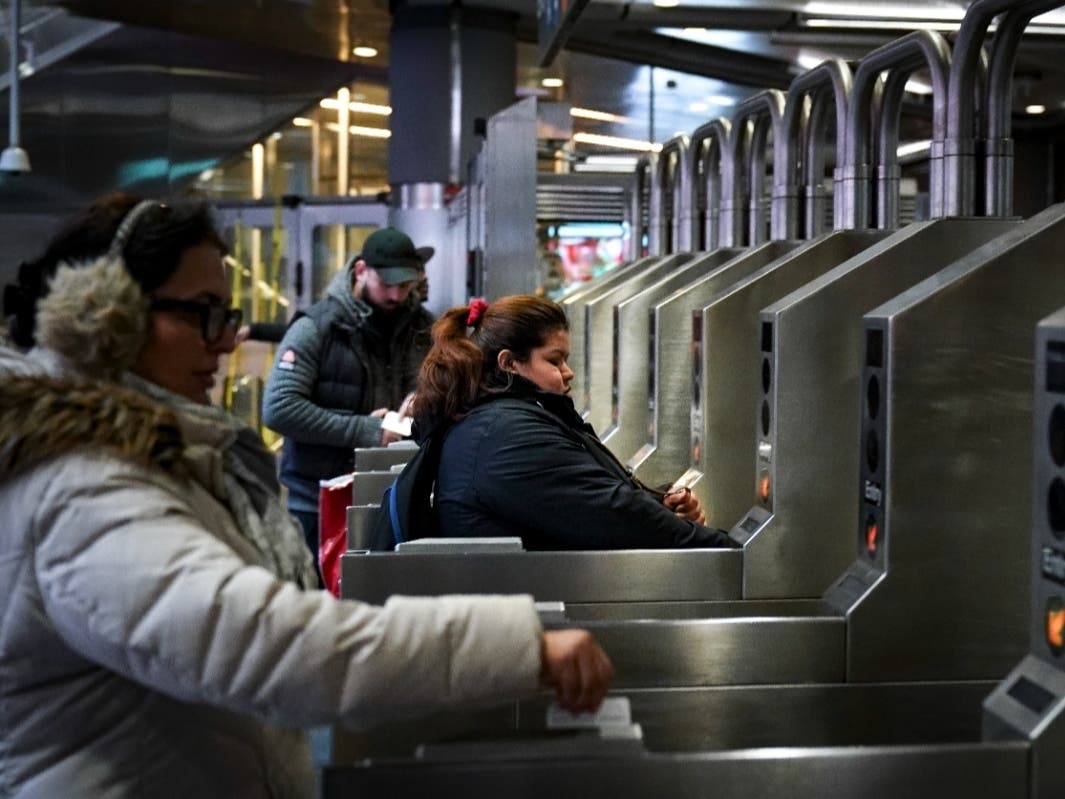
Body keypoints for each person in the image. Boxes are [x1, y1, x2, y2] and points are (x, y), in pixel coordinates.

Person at [0, 195, 613, 798]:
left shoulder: (152, 461)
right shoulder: (84, 490)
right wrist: (513, 645)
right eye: (202, 311)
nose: (226, 339)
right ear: (106, 322)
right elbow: (265, 642)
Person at [413, 294, 741, 550]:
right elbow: (612, 514)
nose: (568, 372)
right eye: (554, 360)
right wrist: (726, 548)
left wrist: (660, 502)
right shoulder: (508, 436)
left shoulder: (501, 420)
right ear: (509, 363)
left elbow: (588, 499)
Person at [262, 227, 434, 571]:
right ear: (360, 272)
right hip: (318, 503)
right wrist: (369, 430)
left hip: (394, 501)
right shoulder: (317, 328)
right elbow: (280, 408)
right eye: (387, 284)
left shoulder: (423, 328)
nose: (397, 296)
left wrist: (426, 400)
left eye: (406, 286)